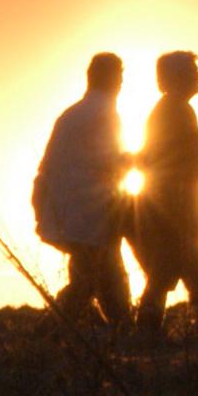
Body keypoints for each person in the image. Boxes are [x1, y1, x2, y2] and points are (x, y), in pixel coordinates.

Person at [33, 52, 134, 326]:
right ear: (109, 78)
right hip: (91, 214)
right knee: (87, 282)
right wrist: (145, 159)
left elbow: (48, 167)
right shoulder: (104, 114)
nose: (122, 82)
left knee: (104, 275)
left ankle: (123, 328)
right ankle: (50, 330)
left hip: (67, 212)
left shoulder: (71, 115)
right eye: (119, 76)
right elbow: (110, 162)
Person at [133, 50, 198, 335]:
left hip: (167, 209)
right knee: (197, 276)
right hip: (174, 210)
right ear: (178, 77)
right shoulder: (176, 111)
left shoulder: (169, 110)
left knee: (165, 275)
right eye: (193, 71)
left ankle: (152, 332)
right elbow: (181, 163)